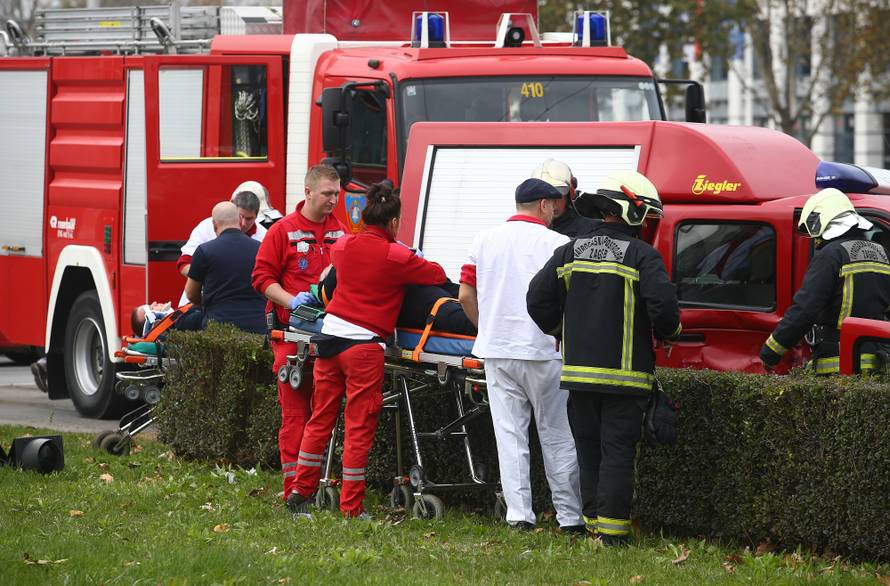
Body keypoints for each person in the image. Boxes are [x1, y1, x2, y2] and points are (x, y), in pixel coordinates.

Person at [527, 170, 682, 546]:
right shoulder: (642, 255)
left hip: (578, 376)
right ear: (632, 211)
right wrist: (670, 333)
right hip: (625, 378)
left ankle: (593, 525)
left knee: (589, 451)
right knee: (617, 452)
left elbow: (536, 299)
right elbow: (664, 309)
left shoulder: (569, 249)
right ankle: (613, 535)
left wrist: (560, 330)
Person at [287, 182, 447, 519]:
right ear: (393, 223)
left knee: (320, 420)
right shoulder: (397, 256)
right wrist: (408, 253)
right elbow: (436, 274)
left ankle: (300, 492)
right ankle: (351, 507)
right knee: (358, 426)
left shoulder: (343, 245)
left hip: (329, 341)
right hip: (363, 348)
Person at [458, 178, 584, 533]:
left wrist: (487, 328)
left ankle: (519, 515)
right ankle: (570, 517)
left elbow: (465, 295)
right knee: (557, 434)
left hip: (497, 351)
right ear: (544, 205)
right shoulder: (560, 244)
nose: (557, 210)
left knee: (509, 434)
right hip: (546, 351)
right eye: (554, 205)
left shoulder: (484, 240)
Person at [251, 165, 346, 508]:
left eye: (336, 194)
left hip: (330, 335)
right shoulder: (282, 231)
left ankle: (319, 483)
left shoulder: (340, 231)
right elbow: (261, 278)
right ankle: (295, 490)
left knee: (324, 416)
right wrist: (294, 302)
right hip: (292, 337)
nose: (333, 201)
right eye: (327, 194)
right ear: (307, 193)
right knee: (296, 417)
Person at [760, 188, 890, 374]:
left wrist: (770, 352)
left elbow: (804, 309)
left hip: (839, 362)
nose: (816, 239)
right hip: (877, 362)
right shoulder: (882, 253)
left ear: (825, 219)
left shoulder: (830, 255)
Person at [176, 182, 273, 306]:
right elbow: (184, 263)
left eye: (249, 219)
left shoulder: (264, 236)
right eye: (240, 216)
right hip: (198, 305)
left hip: (244, 306)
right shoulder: (206, 226)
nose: (243, 223)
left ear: (257, 215)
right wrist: (211, 279)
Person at [317, 267, 476, 336]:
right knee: (458, 314)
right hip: (427, 304)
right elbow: (437, 274)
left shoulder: (346, 263)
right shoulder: (338, 275)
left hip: (429, 296)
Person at [184, 202, 266, 334]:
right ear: (240, 220)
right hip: (257, 327)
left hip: (218, 329)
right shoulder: (261, 249)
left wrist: (208, 302)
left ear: (214, 224)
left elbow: (191, 294)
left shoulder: (204, 251)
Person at [531, 158, 599, 238]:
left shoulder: (592, 229)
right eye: (546, 198)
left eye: (558, 196)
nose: (552, 204)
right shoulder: (527, 230)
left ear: (569, 195)